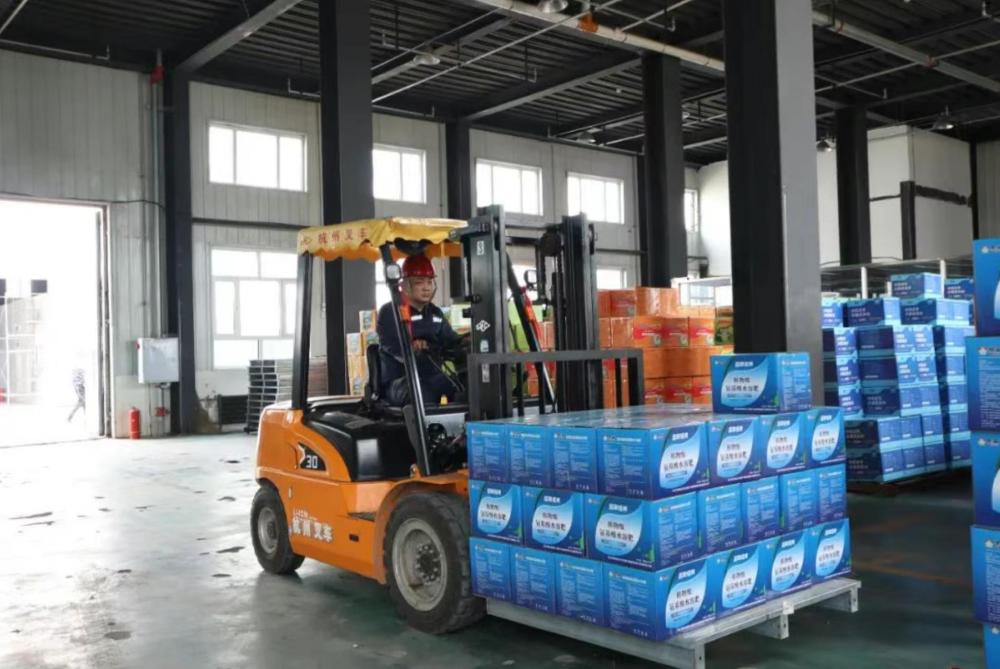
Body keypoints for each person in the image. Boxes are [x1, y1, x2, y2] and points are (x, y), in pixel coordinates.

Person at [376, 254, 466, 407]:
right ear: (404, 285)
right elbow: (392, 346)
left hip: (430, 376)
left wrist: (466, 341)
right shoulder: (391, 312)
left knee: (461, 388)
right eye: (419, 282)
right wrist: (412, 347)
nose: (426, 287)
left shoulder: (435, 313)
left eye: (429, 281)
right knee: (423, 392)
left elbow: (450, 341)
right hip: (398, 380)